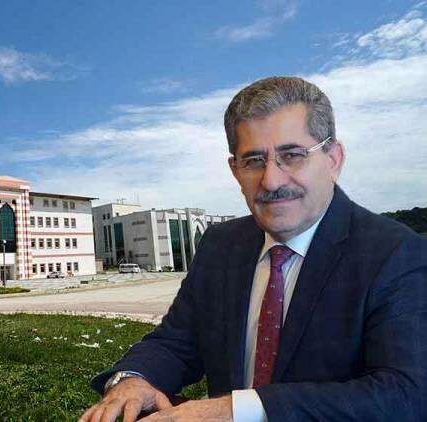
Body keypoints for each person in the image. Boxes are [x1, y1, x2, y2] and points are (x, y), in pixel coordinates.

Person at [80, 76, 426, 422]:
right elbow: (177, 342)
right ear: (235, 170)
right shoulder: (220, 245)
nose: (271, 180)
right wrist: (134, 379)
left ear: (333, 159)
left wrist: (237, 411)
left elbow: (406, 395)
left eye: (292, 155)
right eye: (254, 160)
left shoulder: (395, 254)